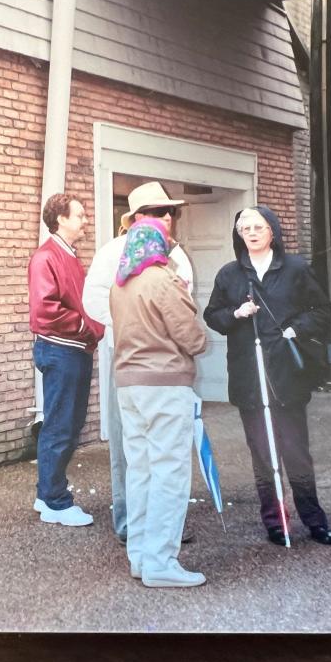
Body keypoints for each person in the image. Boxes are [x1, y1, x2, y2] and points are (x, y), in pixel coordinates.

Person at [204, 207, 331, 546]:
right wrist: (235, 313)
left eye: (258, 226)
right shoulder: (230, 274)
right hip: (250, 377)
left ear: (272, 231)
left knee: (296, 453)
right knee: (263, 456)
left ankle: (314, 519)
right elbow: (212, 315)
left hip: (287, 376)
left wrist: (294, 330)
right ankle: (275, 522)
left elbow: (321, 310)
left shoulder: (296, 269)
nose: (251, 232)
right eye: (244, 227)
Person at [82, 181, 194, 544]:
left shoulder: (177, 255)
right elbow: (92, 299)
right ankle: (130, 522)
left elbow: (186, 303)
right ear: (134, 219)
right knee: (131, 445)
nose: (164, 218)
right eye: (155, 212)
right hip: (129, 352)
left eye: (168, 212)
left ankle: (162, 526)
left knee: (159, 451)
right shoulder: (112, 252)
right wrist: (132, 327)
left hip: (169, 357)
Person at [110, 217, 207, 587]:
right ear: (160, 244)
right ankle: (161, 563)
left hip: (129, 387)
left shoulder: (121, 285)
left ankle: (140, 556)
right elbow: (192, 339)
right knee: (170, 473)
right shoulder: (164, 279)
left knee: (141, 471)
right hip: (165, 385)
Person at [28, 193, 105, 526]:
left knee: (67, 425)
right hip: (62, 349)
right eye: (80, 215)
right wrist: (87, 326)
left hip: (72, 349)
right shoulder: (46, 257)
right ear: (60, 219)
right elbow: (45, 310)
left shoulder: (67, 255)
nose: (85, 220)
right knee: (61, 426)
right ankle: (55, 502)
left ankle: (48, 494)